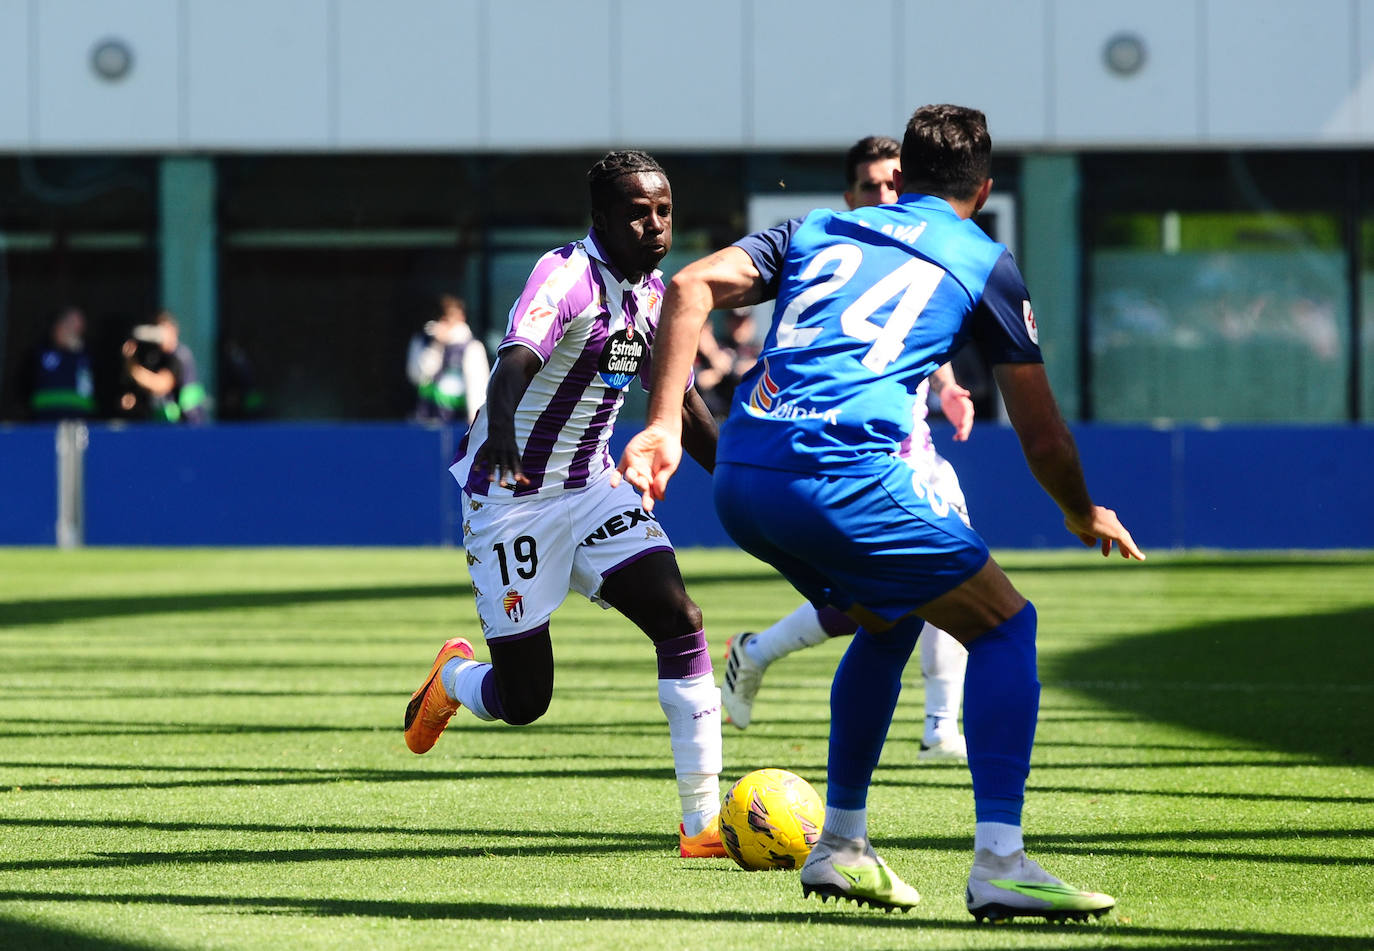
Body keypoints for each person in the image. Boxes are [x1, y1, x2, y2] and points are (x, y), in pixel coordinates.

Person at [616, 105, 1144, 921]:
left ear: (906, 177)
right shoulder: (983, 258)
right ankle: (1001, 859)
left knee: (888, 618)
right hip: (842, 476)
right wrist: (1082, 511)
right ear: (985, 187)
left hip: (743, 473)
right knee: (1006, 625)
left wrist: (660, 423)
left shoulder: (818, 226)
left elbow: (687, 286)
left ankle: (841, 847)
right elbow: (1042, 435)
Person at [402, 150, 727, 859]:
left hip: (592, 489)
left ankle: (701, 823)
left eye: (664, 211)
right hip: (511, 500)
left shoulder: (656, 295)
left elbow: (682, 399)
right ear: (603, 218)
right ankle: (454, 678)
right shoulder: (566, 277)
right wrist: (505, 435)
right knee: (526, 701)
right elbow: (513, 361)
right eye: (638, 213)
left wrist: (734, 476)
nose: (654, 226)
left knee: (681, 617)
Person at [721, 135, 977, 764]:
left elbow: (925, 342)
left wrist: (948, 388)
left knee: (943, 583)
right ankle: (755, 653)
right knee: (874, 610)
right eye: (872, 185)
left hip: (910, 455)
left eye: (895, 183)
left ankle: (940, 726)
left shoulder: (920, 258)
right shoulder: (830, 252)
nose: (885, 194)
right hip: (837, 458)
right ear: (850, 196)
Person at [407, 294, 491, 426]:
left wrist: (475, 425)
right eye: (443, 319)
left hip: (460, 423)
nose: (445, 324)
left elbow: (478, 391)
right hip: (427, 420)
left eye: (450, 319)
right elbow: (417, 376)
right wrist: (436, 346)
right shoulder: (422, 341)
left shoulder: (472, 347)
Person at [120, 310, 208, 424]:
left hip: (189, 424)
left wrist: (131, 365)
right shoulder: (157, 357)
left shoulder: (179, 356)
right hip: (167, 425)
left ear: (173, 331)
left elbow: (160, 385)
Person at [24, 305, 96, 420]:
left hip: (79, 421)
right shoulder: (40, 354)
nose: (75, 333)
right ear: (59, 326)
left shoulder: (86, 357)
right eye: (70, 326)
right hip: (44, 420)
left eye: (79, 329)